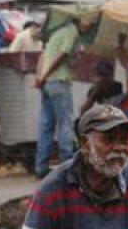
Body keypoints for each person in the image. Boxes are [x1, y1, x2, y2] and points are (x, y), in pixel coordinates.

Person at [34, 15, 91, 177]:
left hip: (48, 85)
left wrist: (40, 78)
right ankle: (68, 166)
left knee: (46, 126)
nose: (89, 26)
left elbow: (43, 56)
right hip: (58, 82)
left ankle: (40, 167)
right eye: (88, 22)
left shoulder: (57, 33)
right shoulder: (71, 32)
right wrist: (44, 75)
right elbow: (62, 55)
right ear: (79, 21)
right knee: (65, 124)